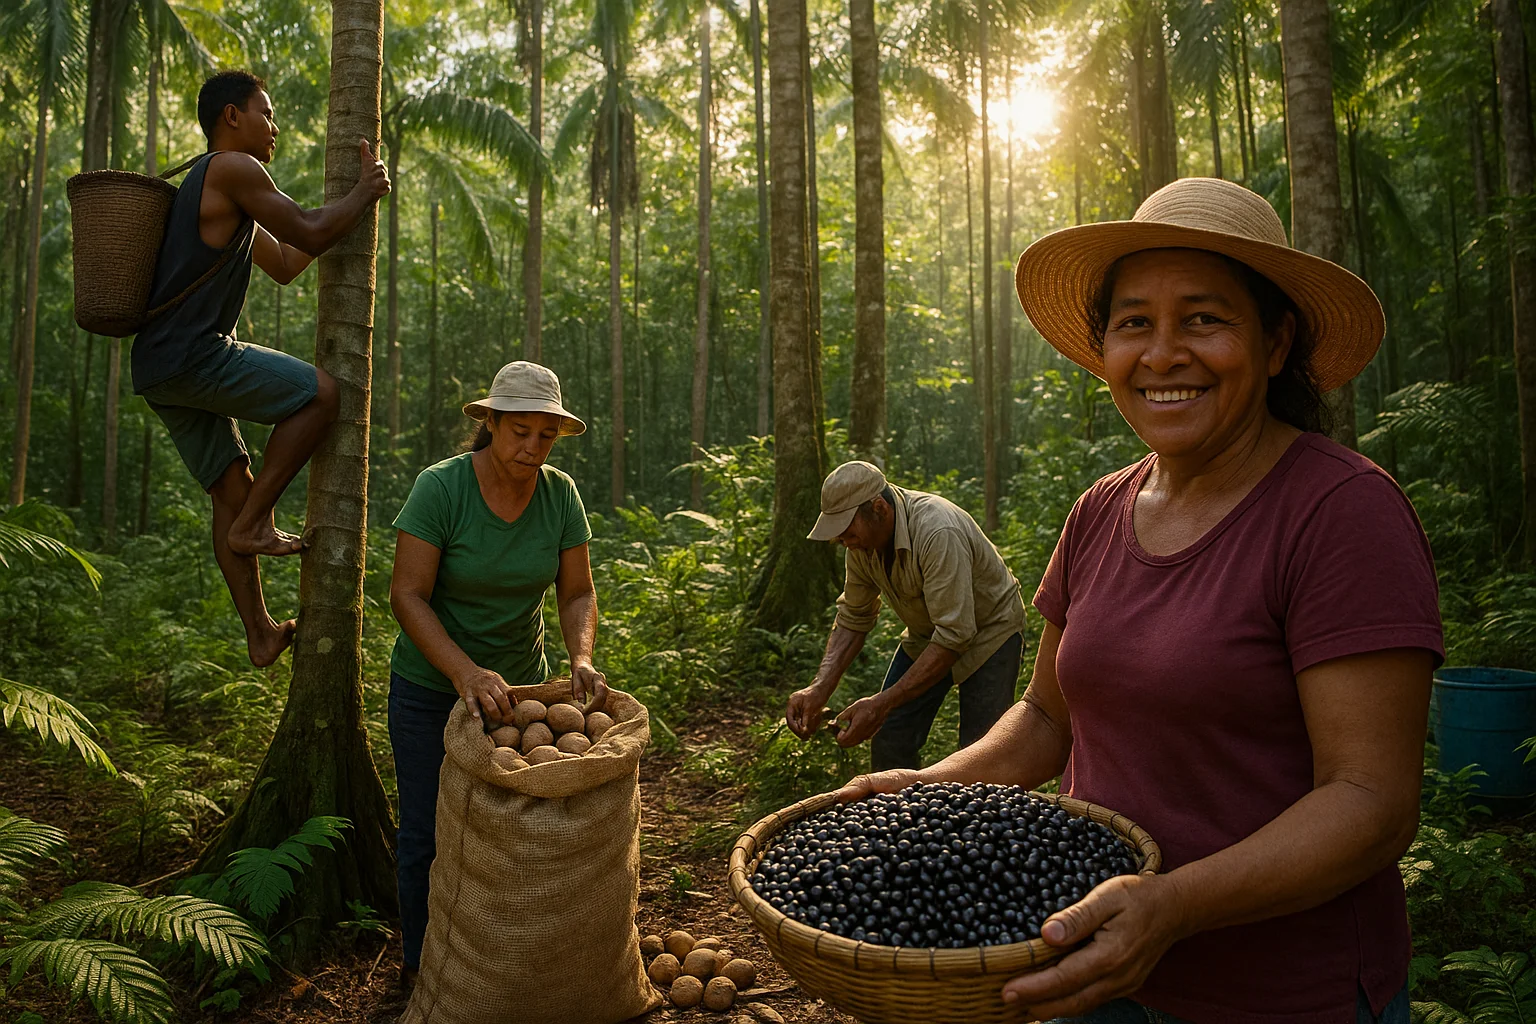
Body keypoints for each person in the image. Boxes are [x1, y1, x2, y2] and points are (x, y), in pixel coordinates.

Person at [838, 177, 1444, 1024]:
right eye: (1134, 324)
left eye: (1203, 318)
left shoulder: (1341, 512)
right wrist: (926, 791)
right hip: (1091, 964)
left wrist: (1172, 906)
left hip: (1278, 992)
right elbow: (1047, 721)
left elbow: (1371, 803)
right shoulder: (1100, 508)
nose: (1163, 354)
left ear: (1275, 343)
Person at [131, 70, 391, 666]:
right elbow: (306, 225)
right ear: (231, 116)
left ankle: (261, 634)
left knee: (231, 492)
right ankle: (255, 526)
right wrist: (363, 192)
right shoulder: (233, 169)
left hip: (159, 368)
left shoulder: (216, 185)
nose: (273, 128)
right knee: (322, 396)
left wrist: (347, 215)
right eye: (265, 114)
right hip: (196, 354)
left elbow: (288, 259)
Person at [387, 360, 607, 988]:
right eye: (519, 431)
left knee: (518, 831)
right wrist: (464, 672)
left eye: (545, 435)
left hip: (522, 699)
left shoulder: (560, 495)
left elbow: (576, 593)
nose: (532, 447)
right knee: (430, 833)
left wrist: (582, 658)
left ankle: (506, 962)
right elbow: (408, 595)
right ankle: (420, 970)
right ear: (490, 423)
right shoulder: (442, 488)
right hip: (434, 692)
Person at [786, 460, 1028, 770]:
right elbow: (853, 617)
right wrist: (819, 687)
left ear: (879, 509)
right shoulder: (859, 544)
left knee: (979, 751)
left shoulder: (938, 530)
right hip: (928, 635)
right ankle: (898, 815)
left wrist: (881, 703)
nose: (841, 540)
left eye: (847, 530)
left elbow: (955, 635)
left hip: (990, 634)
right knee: (890, 736)